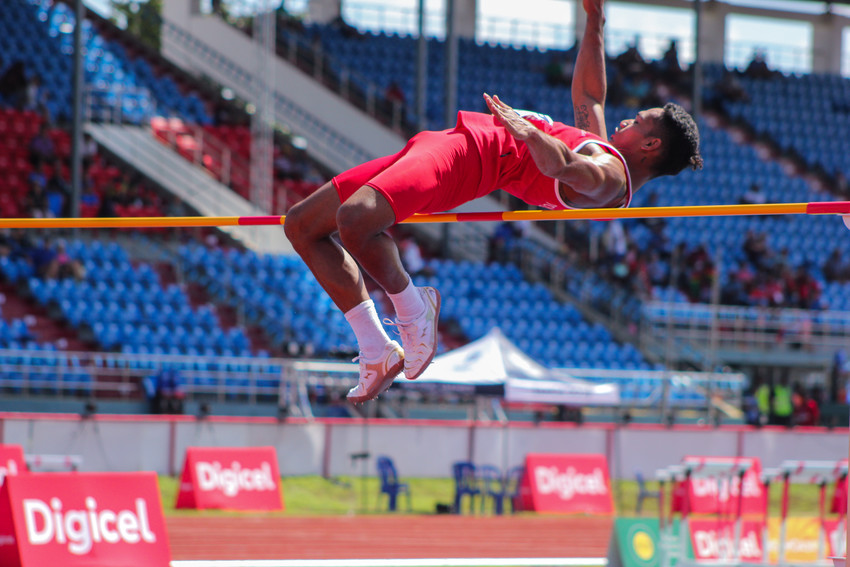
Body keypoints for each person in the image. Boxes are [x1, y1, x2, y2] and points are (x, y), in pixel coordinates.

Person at [284, 0, 703, 404]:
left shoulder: (611, 178)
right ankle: (376, 347)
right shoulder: (604, 148)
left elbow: (569, 169)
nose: (626, 119)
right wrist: (594, 23)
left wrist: (530, 133)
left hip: (472, 160)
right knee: (302, 225)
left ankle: (415, 309)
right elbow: (590, 96)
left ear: (650, 144)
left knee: (356, 219)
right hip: (453, 142)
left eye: (639, 121)